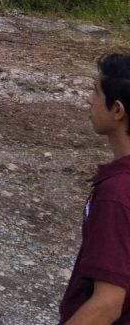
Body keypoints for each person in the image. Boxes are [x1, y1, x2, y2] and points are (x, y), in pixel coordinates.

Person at [58, 53, 130, 324]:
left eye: (96, 91)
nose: (89, 99)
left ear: (117, 110)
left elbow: (106, 304)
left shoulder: (117, 193)